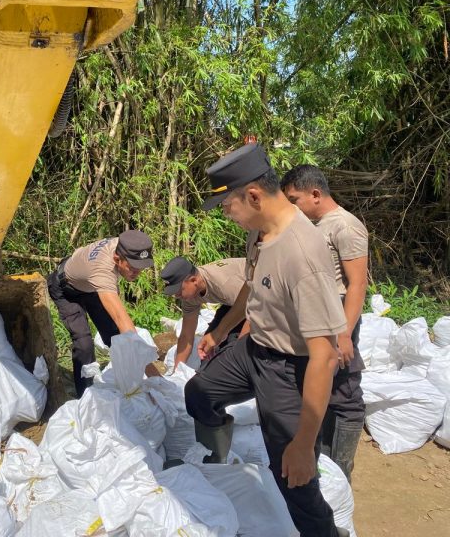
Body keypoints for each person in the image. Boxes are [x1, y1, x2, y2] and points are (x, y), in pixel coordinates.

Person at [184, 143, 349, 537]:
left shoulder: (302, 255)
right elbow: (251, 286)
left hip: (289, 369)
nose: (226, 214)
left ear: (254, 196)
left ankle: (325, 531)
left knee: (293, 475)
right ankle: (220, 461)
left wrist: (304, 443)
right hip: (253, 349)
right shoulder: (260, 233)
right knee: (198, 393)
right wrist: (219, 331)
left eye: (228, 206)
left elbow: (324, 356)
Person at [281, 164, 368, 481]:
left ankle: (341, 469)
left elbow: (357, 284)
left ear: (315, 194)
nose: (292, 207)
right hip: (317, 314)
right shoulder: (313, 225)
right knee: (319, 385)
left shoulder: (345, 226)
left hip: (338, 315)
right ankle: (324, 461)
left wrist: (344, 333)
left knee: (344, 391)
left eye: (295, 199)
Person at [47, 230, 157, 398]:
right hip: (65, 290)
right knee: (84, 343)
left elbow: (120, 331)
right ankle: (86, 396)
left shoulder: (124, 244)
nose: (137, 273)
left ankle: (129, 380)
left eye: (141, 268)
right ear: (117, 259)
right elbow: (123, 322)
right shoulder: (102, 271)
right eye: (132, 268)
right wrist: (155, 376)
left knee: (114, 334)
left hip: (89, 285)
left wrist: (153, 378)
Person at [160, 256, 246, 370]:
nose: (176, 296)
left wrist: (224, 336)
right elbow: (186, 335)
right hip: (234, 302)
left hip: (260, 300)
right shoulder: (189, 297)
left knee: (235, 348)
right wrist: (178, 371)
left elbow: (256, 310)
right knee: (207, 349)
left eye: (179, 291)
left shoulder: (224, 284)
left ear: (194, 280)